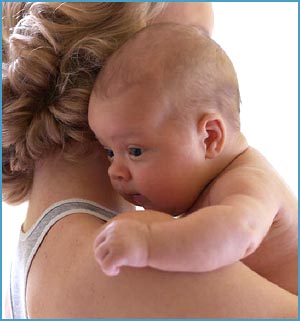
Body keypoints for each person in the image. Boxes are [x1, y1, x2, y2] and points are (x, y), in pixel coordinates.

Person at [2, 2, 297, 319]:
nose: (209, 70)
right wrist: (150, 241)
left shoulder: (44, 246)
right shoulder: (125, 257)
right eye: (190, 39)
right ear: (111, 55)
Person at [89, 23, 298, 294]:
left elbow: (239, 233)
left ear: (209, 138)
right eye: (109, 152)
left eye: (135, 151)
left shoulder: (248, 181)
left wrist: (149, 243)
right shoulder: (211, 184)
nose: (115, 171)